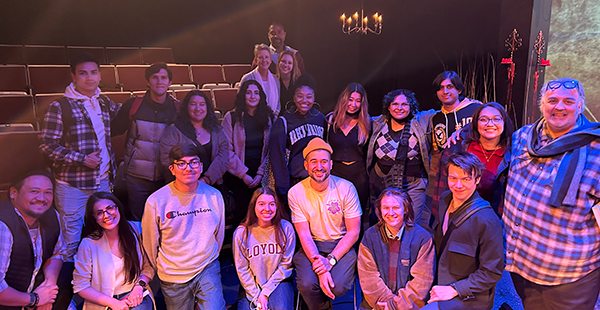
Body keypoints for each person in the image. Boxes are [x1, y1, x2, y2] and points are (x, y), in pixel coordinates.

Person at [503, 78, 600, 309]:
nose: (559, 107)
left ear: (580, 106)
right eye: (553, 100)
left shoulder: (596, 150)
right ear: (542, 104)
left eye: (568, 101)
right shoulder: (522, 137)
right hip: (523, 264)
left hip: (568, 275)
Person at [40, 52, 120, 262]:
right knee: (70, 241)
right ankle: (69, 289)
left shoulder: (103, 102)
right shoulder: (60, 106)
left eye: (94, 72)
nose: (89, 77)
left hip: (102, 181)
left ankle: (99, 281)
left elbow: (126, 115)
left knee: (104, 234)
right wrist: (81, 159)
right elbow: (47, 145)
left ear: (100, 75)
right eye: (83, 73)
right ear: (73, 76)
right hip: (72, 185)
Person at [142, 144, 226, 310]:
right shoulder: (156, 201)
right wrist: (158, 268)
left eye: (193, 162)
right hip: (173, 274)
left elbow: (219, 234)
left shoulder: (214, 195)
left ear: (201, 167)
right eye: (181, 164)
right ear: (172, 169)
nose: (188, 168)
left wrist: (210, 256)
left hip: (206, 266)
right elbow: (150, 242)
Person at [424, 151, 504, 310]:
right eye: (453, 178)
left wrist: (454, 289)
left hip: (467, 296)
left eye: (466, 179)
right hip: (439, 281)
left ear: (477, 179)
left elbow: (492, 272)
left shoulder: (487, 221)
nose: (458, 185)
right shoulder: (444, 200)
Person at [289, 138, 362, 310]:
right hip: (312, 244)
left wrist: (330, 261)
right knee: (307, 284)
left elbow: (353, 232)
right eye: (313, 162)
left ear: (330, 165)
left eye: (323, 162)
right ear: (306, 165)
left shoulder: (346, 188)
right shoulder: (295, 192)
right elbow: (304, 234)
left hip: (340, 244)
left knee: (337, 286)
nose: (319, 167)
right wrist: (321, 268)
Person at [111, 63, 178, 220]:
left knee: (165, 222)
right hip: (136, 177)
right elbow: (112, 130)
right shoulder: (133, 105)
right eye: (154, 77)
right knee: (139, 222)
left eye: (163, 78)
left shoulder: (177, 109)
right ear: (148, 81)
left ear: (169, 83)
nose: (159, 82)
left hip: (167, 177)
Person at [0, 171, 69, 310]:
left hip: (32, 292)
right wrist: (34, 300)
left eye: (48, 192)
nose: (41, 198)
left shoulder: (51, 215)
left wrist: (49, 288)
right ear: (13, 193)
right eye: (34, 191)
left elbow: (57, 253)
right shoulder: (3, 225)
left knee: (70, 270)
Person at [73, 192, 154, 310]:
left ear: (118, 207)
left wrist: (139, 286)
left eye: (110, 208)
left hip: (135, 296)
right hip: (103, 303)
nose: (106, 215)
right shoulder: (88, 244)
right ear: (94, 218)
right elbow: (81, 286)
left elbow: (149, 267)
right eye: (99, 213)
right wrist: (113, 303)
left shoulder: (137, 230)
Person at [357, 188, 435, 310]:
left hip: (409, 307)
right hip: (377, 306)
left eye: (396, 207)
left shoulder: (422, 238)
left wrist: (395, 305)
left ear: (406, 209)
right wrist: (387, 305)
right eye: (386, 208)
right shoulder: (369, 237)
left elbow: (422, 281)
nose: (391, 213)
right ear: (380, 210)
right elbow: (369, 279)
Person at [432, 102, 514, 216]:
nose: (490, 124)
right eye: (483, 119)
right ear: (475, 123)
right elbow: (441, 191)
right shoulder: (457, 148)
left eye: (496, 119)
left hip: (492, 219)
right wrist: (437, 222)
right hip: (458, 217)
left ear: (504, 122)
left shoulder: (513, 155)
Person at [367, 89, 434, 228]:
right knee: (385, 225)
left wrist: (469, 104)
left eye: (405, 104)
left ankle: (409, 250)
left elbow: (445, 112)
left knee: (411, 225)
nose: (400, 108)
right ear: (389, 106)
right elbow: (356, 119)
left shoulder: (420, 120)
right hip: (384, 183)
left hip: (413, 184)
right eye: (395, 104)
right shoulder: (377, 123)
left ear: (411, 107)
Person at [232, 187, 295, 310]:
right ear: (253, 206)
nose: (267, 209)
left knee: (280, 307)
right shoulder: (241, 233)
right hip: (252, 284)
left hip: (279, 282)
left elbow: (286, 265)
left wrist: (265, 292)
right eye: (261, 204)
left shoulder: (285, 228)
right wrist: (257, 296)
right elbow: (242, 269)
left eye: (272, 204)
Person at [223, 80, 275, 225]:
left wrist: (260, 174)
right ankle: (241, 244)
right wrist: (243, 175)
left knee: (263, 215)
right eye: (248, 92)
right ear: (243, 96)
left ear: (261, 97)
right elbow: (226, 150)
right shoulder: (231, 118)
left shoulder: (269, 118)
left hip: (262, 174)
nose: (252, 96)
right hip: (238, 174)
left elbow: (271, 150)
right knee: (242, 214)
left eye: (256, 93)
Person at [269, 73, 327, 203]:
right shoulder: (284, 121)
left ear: (314, 98)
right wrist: (283, 188)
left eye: (309, 97)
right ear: (294, 98)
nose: (304, 100)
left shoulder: (321, 119)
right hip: (295, 181)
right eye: (300, 96)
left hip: (318, 181)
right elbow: (277, 156)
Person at [159, 90, 229, 186]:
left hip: (212, 185)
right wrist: (191, 181)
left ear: (207, 108)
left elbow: (223, 158)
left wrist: (206, 180)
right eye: (193, 104)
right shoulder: (174, 131)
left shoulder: (217, 131)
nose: (198, 108)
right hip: (183, 187)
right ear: (186, 107)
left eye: (202, 104)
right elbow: (167, 159)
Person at [327, 82, 371, 228]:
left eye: (358, 101)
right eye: (350, 100)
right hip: (336, 175)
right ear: (344, 100)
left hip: (358, 175)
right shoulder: (331, 121)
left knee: (357, 216)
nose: (354, 104)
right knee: (335, 213)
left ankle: (358, 248)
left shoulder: (367, 123)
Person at [430, 71, 482, 151]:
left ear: (459, 90)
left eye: (450, 87)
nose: (445, 92)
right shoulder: (437, 118)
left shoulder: (476, 109)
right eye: (440, 88)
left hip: (476, 162)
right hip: (448, 162)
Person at [241, 44, 280, 115]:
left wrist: (274, 116)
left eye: (266, 57)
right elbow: (241, 101)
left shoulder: (276, 79)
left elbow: (278, 102)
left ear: (270, 60)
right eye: (261, 57)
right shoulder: (247, 78)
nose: (264, 60)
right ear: (256, 61)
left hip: (272, 120)